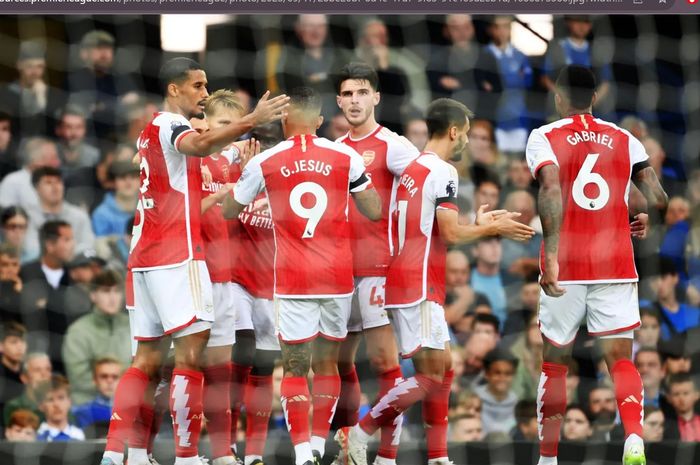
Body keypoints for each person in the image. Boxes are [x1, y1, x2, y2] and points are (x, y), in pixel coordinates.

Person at [99, 57, 288, 465]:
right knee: (188, 357)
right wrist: (249, 120)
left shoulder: (149, 130)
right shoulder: (171, 125)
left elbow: (200, 148)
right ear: (174, 89)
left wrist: (234, 143)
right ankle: (186, 456)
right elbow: (199, 143)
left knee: (145, 360)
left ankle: (115, 454)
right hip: (176, 255)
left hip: (144, 257)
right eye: (198, 86)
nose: (204, 93)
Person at [342, 97, 534, 465]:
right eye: (465, 134)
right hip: (418, 283)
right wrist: (493, 227)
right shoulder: (444, 171)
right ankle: (361, 430)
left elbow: (430, 228)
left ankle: (438, 456)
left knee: (443, 368)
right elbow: (450, 235)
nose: (465, 142)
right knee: (430, 377)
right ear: (453, 131)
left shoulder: (412, 169)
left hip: (404, 278)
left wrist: (478, 223)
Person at [223, 85, 381, 465]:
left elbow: (230, 210)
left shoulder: (266, 160)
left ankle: (299, 454)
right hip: (337, 276)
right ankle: (317, 445)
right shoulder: (344, 155)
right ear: (322, 120)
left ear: (283, 118)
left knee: (294, 366)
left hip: (293, 278)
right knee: (327, 365)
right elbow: (374, 209)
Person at [527, 65, 668, 465]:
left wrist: (551, 254)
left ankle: (548, 458)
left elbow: (551, 188)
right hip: (615, 264)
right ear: (594, 97)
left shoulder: (544, 137)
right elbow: (657, 196)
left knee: (555, 364)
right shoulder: (625, 138)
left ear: (558, 96)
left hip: (567, 266)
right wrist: (647, 218)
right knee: (620, 359)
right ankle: (634, 439)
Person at [333, 62, 420, 465]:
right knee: (339, 361)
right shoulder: (333, 149)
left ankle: (386, 456)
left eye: (361, 92)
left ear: (376, 97)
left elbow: (425, 188)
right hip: (336, 273)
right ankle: (348, 446)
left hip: (379, 271)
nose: (354, 101)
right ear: (338, 100)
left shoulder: (394, 146)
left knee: (386, 362)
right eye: (348, 94)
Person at [227, 122, 284, 465]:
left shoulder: (290, 184)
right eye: (258, 146)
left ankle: (254, 455)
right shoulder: (237, 174)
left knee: (263, 369)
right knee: (241, 354)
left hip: (273, 287)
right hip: (236, 280)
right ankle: (229, 447)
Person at [62, 270, 130, 404]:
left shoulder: (133, 326)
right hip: (88, 406)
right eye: (105, 291)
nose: (112, 298)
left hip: (130, 403)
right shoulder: (78, 331)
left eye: (117, 291)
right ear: (93, 295)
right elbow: (78, 378)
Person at [25, 166, 95, 256]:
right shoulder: (28, 216)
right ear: (36, 188)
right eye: (48, 183)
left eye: (58, 182)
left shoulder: (79, 215)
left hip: (75, 265)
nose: (55, 187)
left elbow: (90, 249)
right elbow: (31, 249)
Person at [0, 136, 61, 212]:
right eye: (53, 158)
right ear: (36, 161)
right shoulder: (13, 182)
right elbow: (5, 215)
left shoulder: (58, 182)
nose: (58, 163)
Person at [72, 357, 123, 439]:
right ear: (95, 380)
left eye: (114, 377)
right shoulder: (81, 412)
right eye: (104, 376)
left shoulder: (132, 413)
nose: (109, 381)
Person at [474, 348, 519, 435]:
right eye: (497, 373)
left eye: (508, 373)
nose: (502, 378)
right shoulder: (473, 399)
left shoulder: (517, 403)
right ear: (487, 374)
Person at [3, 352, 52, 425]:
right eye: (37, 370)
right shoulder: (15, 407)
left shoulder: (62, 404)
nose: (44, 374)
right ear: (24, 378)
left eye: (48, 369)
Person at [36, 374, 85, 442]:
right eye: (50, 399)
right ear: (41, 405)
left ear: (70, 401)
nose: (56, 404)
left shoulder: (80, 436)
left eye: (61, 398)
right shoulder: (36, 437)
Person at [0, 321, 27, 417]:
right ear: (1, 346)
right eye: (14, 342)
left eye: (23, 341)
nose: (20, 347)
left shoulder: (30, 373)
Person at [664, 373, 700, 441]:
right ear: (669, 398)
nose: (681, 398)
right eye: (676, 394)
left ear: (697, 395)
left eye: (686, 393)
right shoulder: (664, 426)